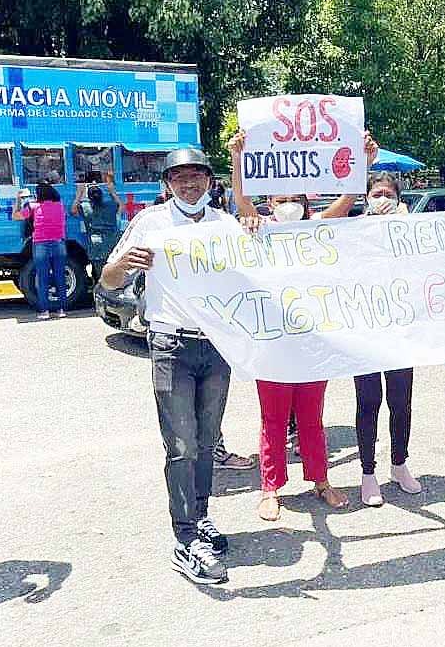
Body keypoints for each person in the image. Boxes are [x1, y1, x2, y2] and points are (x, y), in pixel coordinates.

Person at [228, 130, 377, 521]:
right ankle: (270, 488)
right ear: (270, 204)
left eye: (296, 199)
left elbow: (346, 202)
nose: (289, 205)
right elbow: (241, 200)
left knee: (312, 419)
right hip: (272, 346)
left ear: (305, 203)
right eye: (282, 200)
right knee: (273, 421)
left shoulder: (317, 227)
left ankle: (321, 481)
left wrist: (363, 161)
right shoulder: (257, 228)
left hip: (311, 345)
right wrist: (237, 157)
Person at [100, 148, 233, 585]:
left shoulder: (224, 224)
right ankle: (185, 536)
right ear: (167, 184)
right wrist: (122, 264)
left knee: (207, 440)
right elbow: (109, 280)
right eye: (180, 178)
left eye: (197, 176)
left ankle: (201, 514)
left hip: (216, 348)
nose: (189, 185)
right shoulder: (150, 223)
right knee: (181, 444)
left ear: (210, 181)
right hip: (171, 345)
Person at [353, 172, 422, 507]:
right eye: (376, 193)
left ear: (397, 198)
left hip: (399, 331)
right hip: (364, 332)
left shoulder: (407, 229)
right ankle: (368, 472)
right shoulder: (352, 228)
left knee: (401, 402)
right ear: (366, 197)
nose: (382, 198)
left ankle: (399, 464)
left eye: (387, 193)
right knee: (368, 402)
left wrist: (406, 228)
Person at [12, 182, 68, 320]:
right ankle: (61, 310)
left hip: (41, 243)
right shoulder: (60, 206)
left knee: (42, 278)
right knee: (59, 276)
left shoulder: (33, 206)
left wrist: (18, 199)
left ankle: (45, 311)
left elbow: (16, 216)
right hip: (58, 242)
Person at [71, 173, 123, 281]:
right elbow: (121, 206)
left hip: (95, 248)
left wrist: (79, 194)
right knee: (112, 277)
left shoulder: (86, 207)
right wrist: (112, 191)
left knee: (100, 277)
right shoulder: (110, 205)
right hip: (111, 245)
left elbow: (73, 210)